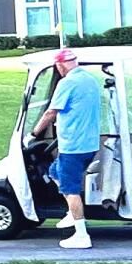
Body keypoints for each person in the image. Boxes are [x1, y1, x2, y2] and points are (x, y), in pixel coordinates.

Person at [46, 48, 110, 249]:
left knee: (70, 189)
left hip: (72, 146)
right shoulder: (90, 80)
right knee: (54, 171)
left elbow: (51, 112)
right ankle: (71, 213)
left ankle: (81, 235)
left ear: (60, 65)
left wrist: (33, 134)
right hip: (89, 145)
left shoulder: (67, 83)